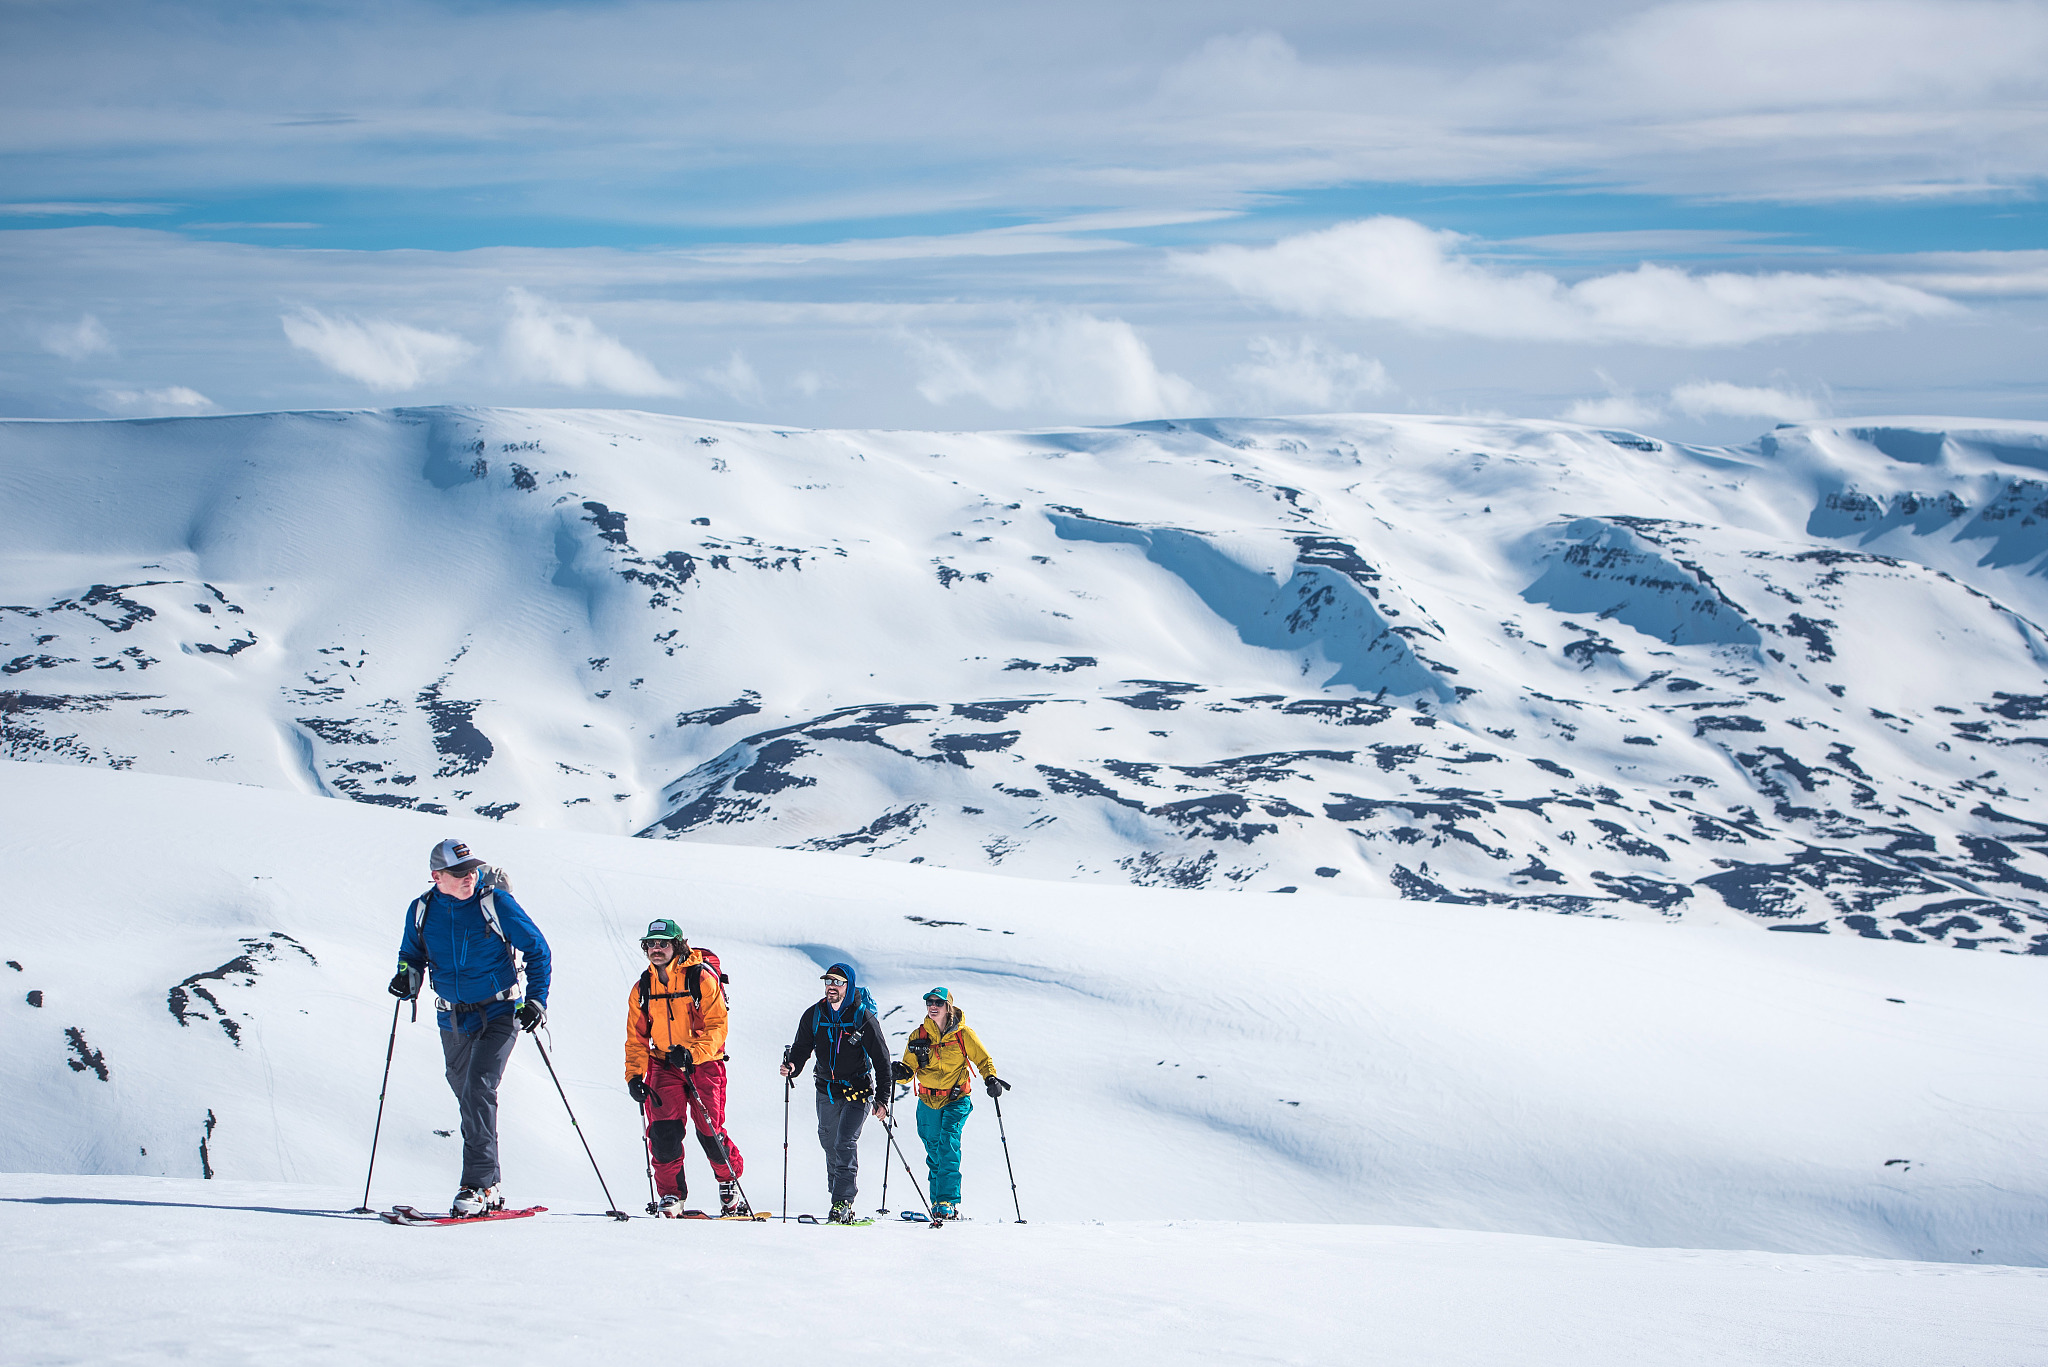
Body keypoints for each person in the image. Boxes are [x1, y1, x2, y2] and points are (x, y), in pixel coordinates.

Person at [388, 837, 551, 1217]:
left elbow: (537, 949)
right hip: (451, 1017)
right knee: (468, 1095)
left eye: (472, 869)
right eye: (459, 872)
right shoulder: (422, 910)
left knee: (478, 1088)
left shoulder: (495, 903)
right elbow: (411, 954)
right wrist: (406, 976)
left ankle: (475, 1187)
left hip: (500, 1011)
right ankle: (490, 1185)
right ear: (437, 876)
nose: (469, 876)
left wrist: (536, 1000)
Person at [625, 918, 748, 1217]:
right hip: (663, 1064)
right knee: (663, 1133)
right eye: (651, 944)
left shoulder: (700, 978)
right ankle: (671, 1195)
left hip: (704, 1064)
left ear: (677, 945)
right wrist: (634, 1075)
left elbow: (718, 1026)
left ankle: (728, 1182)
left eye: (663, 943)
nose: (656, 949)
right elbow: (636, 1037)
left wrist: (692, 1053)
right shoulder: (643, 987)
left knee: (709, 1131)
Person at [779, 962, 891, 1223]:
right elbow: (801, 1048)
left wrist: (882, 1099)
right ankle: (838, 1196)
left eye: (838, 982)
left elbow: (882, 1060)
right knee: (829, 1143)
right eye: (828, 981)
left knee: (845, 1142)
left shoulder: (863, 1018)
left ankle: (843, 1201)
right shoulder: (814, 1015)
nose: (831, 986)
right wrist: (792, 1066)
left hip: (858, 1091)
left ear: (848, 987)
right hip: (826, 1091)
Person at [893, 986, 1004, 1221]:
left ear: (948, 1007)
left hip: (957, 1098)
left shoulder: (963, 1035)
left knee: (948, 1144)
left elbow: (983, 1060)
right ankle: (938, 1204)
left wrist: (991, 1078)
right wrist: (900, 1073)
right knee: (933, 1150)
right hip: (927, 1100)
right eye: (929, 1002)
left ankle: (948, 1201)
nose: (933, 1006)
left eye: (938, 1003)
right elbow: (908, 1070)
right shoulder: (918, 1035)